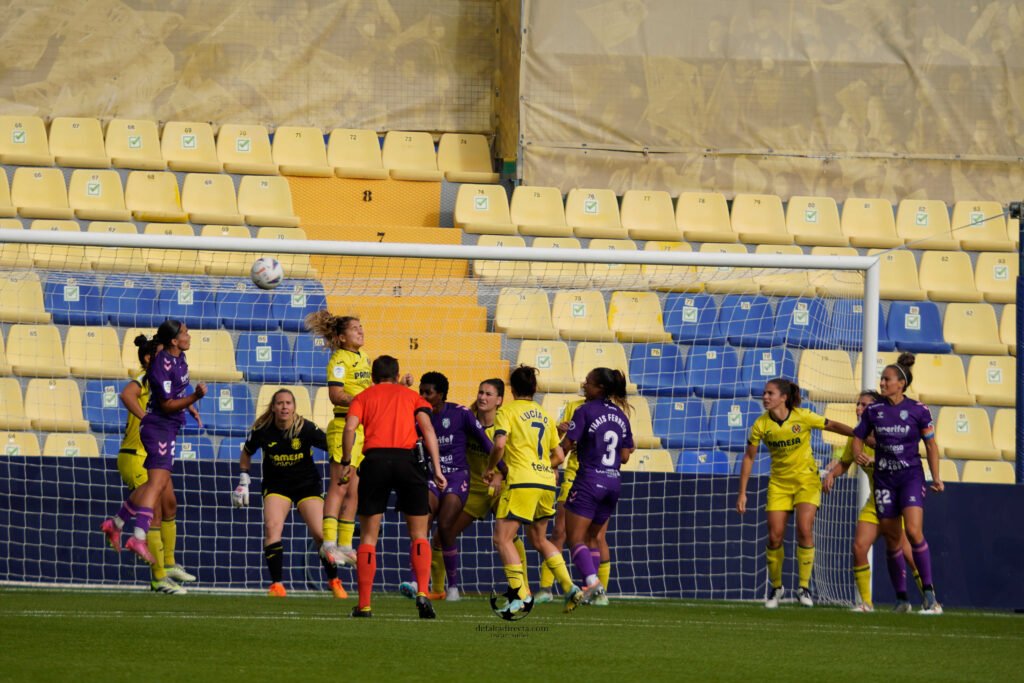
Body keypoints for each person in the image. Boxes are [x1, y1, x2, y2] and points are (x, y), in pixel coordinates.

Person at [735, 378, 855, 608]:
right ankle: (777, 588)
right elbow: (749, 457)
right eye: (765, 393)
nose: (766, 397)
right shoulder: (761, 425)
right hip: (779, 484)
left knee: (804, 529)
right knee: (774, 536)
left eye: (770, 393)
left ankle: (804, 587)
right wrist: (743, 493)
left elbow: (831, 425)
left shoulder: (803, 416)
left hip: (806, 481)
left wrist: (858, 433)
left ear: (784, 397)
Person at [342, 355, 446, 619]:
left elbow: (350, 428)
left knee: (368, 537)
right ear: (397, 375)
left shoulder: (363, 397)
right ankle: (423, 592)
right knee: (419, 534)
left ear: (373, 376)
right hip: (407, 462)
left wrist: (346, 461)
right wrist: (437, 468)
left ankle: (364, 605)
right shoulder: (412, 397)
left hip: (375, 461)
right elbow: (428, 431)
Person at [102, 320, 207, 565]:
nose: (189, 335)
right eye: (184, 332)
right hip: (157, 429)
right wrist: (195, 397)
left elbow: (175, 391)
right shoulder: (157, 367)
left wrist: (190, 406)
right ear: (173, 341)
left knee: (155, 487)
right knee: (157, 487)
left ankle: (115, 523)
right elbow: (166, 403)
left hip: (168, 428)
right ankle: (138, 538)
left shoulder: (179, 358)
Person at [231, 388, 346, 598]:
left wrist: (346, 466)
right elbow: (246, 453)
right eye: (280, 403)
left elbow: (333, 447)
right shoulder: (263, 430)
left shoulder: (306, 428)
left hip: (307, 485)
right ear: (273, 408)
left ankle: (334, 581)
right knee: (272, 527)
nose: (284, 406)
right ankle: (277, 586)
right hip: (277, 486)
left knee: (321, 534)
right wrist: (243, 480)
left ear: (294, 407)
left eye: (288, 403)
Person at [851, 353, 943, 614]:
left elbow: (931, 445)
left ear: (900, 384)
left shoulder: (919, 410)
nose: (882, 383)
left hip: (910, 478)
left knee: (913, 532)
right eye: (881, 379)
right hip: (884, 481)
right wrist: (858, 451)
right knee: (892, 541)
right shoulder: (874, 411)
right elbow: (857, 435)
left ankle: (929, 594)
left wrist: (936, 476)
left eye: (886, 379)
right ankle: (902, 599)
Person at [485, 365, 578, 616]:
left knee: (502, 539)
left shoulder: (506, 412)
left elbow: (500, 444)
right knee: (539, 539)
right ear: (534, 389)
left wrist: (491, 468)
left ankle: (521, 596)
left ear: (511, 389)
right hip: (547, 481)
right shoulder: (545, 416)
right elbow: (559, 455)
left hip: (522, 481)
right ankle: (570, 587)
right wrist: (539, 468)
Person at [823, 390, 923, 612]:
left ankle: (929, 597)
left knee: (907, 551)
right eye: (858, 404)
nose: (859, 409)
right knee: (859, 547)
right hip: (875, 501)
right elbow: (845, 463)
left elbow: (905, 459)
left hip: (897, 501)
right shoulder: (857, 438)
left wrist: (875, 459)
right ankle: (866, 603)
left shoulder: (892, 433)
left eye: (864, 405)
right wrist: (832, 473)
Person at [398, 371, 493, 602]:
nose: (423, 395)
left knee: (446, 527)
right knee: (424, 522)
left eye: (427, 392)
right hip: (431, 477)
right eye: (421, 391)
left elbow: (486, 442)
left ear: (440, 395)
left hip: (457, 477)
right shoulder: (418, 416)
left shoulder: (460, 414)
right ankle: (415, 581)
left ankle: (452, 587)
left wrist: (502, 468)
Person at [115, 334, 197, 594]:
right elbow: (126, 394)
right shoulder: (144, 378)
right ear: (151, 358)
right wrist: (146, 418)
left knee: (170, 502)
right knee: (156, 512)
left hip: (152, 454)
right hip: (135, 453)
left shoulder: (164, 380)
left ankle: (169, 563)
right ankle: (158, 577)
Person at [442, 379, 531, 600]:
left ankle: (524, 588)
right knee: (445, 534)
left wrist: (499, 475)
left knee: (510, 538)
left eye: (489, 394)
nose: (483, 397)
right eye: (480, 392)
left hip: (501, 487)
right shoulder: (467, 421)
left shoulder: (506, 426)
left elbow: (513, 458)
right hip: (473, 490)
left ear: (499, 400)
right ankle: (440, 590)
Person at [560, 368, 635, 607]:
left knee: (575, 538)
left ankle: (593, 583)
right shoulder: (622, 416)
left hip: (589, 480)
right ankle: (598, 595)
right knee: (594, 537)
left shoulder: (584, 411)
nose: (584, 384)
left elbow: (565, 447)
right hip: (613, 483)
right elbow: (624, 456)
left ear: (599, 388)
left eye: (588, 382)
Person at [304, 311, 370, 577]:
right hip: (344, 426)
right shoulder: (339, 360)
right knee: (339, 484)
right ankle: (328, 543)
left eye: (361, 326)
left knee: (355, 489)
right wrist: (361, 402)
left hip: (363, 429)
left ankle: (345, 543)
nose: (360, 331)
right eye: (355, 328)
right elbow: (336, 394)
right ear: (342, 337)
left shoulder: (364, 358)